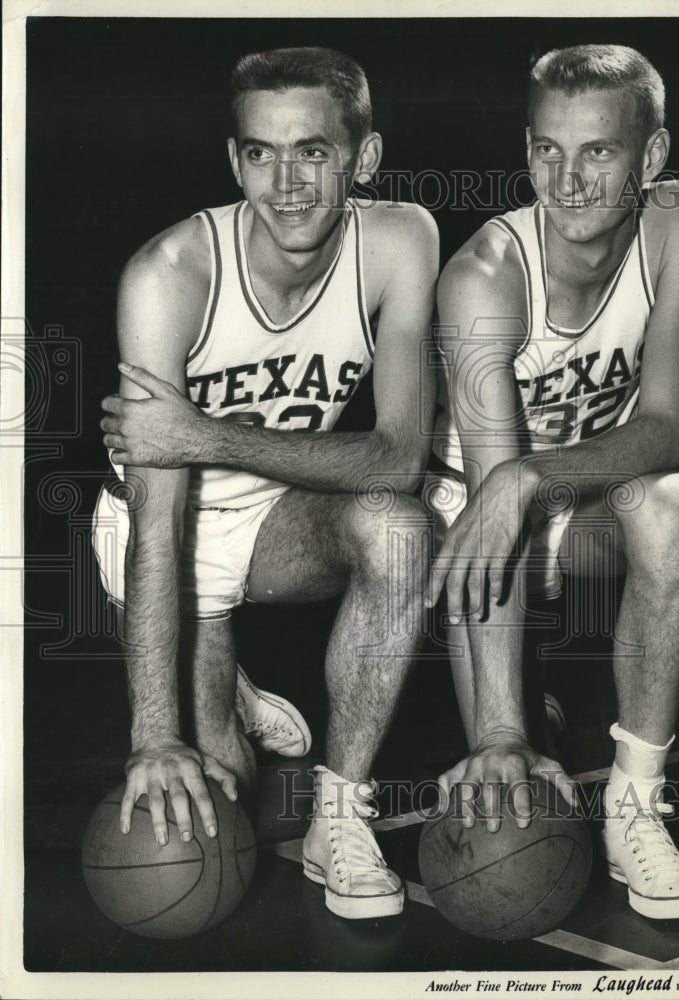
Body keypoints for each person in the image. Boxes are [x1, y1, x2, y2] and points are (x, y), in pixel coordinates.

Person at [93, 46, 438, 920]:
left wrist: (203, 433)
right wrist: (153, 738)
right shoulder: (168, 277)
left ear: (363, 157)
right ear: (233, 158)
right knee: (219, 789)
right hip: (164, 531)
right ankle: (227, 692)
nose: (285, 182)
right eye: (259, 152)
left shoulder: (401, 241)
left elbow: (397, 457)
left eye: (313, 152)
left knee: (400, 526)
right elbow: (160, 522)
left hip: (282, 515)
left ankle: (339, 814)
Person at [427, 44, 679, 920]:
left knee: (674, 504)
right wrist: (502, 731)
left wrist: (530, 478)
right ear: (525, 148)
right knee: (507, 759)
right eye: (548, 150)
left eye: (599, 152)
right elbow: (488, 499)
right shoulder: (483, 277)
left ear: (651, 157)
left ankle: (635, 804)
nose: (570, 178)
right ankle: (523, 707)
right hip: (466, 523)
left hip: (574, 495)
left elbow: (670, 426)